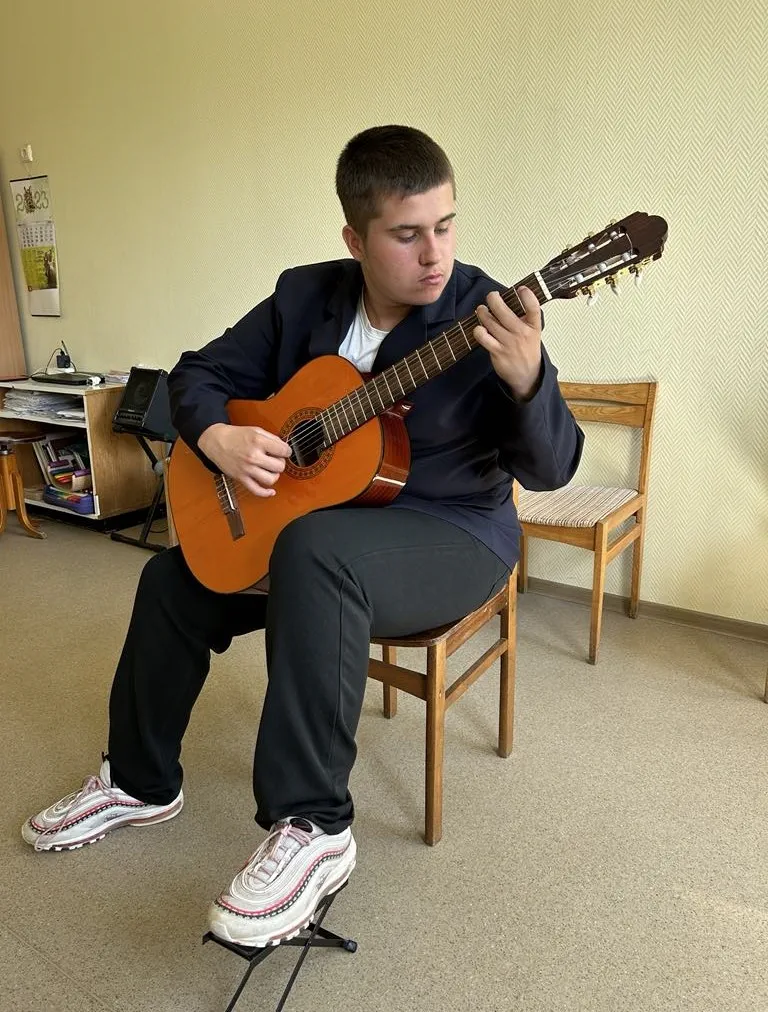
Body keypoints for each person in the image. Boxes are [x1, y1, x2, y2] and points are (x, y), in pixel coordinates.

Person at [22, 125, 584, 948]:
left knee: (315, 554)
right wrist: (217, 438)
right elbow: (198, 373)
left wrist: (530, 379)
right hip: (315, 526)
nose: (435, 254)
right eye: (406, 234)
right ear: (355, 239)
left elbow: (554, 467)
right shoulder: (304, 296)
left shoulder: (487, 314)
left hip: (452, 531)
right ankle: (139, 782)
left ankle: (315, 826)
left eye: (446, 225)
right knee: (172, 582)